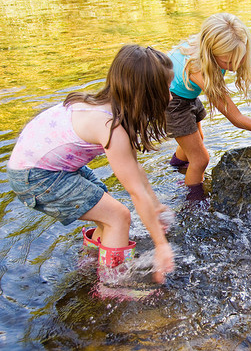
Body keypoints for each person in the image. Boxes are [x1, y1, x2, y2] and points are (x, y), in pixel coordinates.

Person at [7, 45, 175, 284]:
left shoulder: (105, 106)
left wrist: (156, 206)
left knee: (102, 204)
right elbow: (135, 192)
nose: (170, 96)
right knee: (118, 216)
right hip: (36, 176)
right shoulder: (110, 127)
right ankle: (112, 286)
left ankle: (91, 260)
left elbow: (134, 171)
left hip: (41, 167)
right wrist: (161, 245)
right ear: (145, 93)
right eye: (165, 89)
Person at [166, 12, 251, 200]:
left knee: (197, 141)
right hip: (171, 101)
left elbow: (248, 67)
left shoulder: (226, 47)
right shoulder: (198, 68)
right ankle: (193, 206)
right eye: (228, 62)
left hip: (187, 94)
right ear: (210, 53)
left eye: (239, 58)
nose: (234, 65)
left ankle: (174, 168)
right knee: (200, 159)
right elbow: (235, 117)